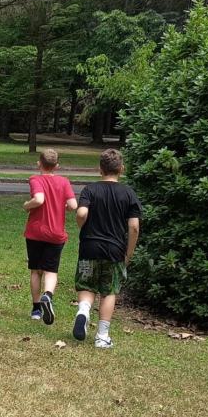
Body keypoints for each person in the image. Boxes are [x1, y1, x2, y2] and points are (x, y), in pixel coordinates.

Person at [72, 148, 141, 348]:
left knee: (86, 284)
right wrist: (128, 253)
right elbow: (134, 226)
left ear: (99, 169)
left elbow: (82, 212)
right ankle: (102, 336)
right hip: (114, 250)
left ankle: (83, 311)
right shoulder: (128, 193)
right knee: (109, 291)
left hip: (89, 248)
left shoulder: (90, 189)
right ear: (121, 169)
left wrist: (81, 225)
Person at [22, 148, 78, 324]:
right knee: (51, 270)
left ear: (39, 163)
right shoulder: (64, 181)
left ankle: (36, 308)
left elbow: (39, 199)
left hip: (36, 232)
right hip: (56, 233)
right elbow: (74, 205)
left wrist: (27, 205)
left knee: (36, 270)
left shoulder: (35, 179)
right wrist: (65, 207)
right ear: (57, 166)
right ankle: (48, 295)